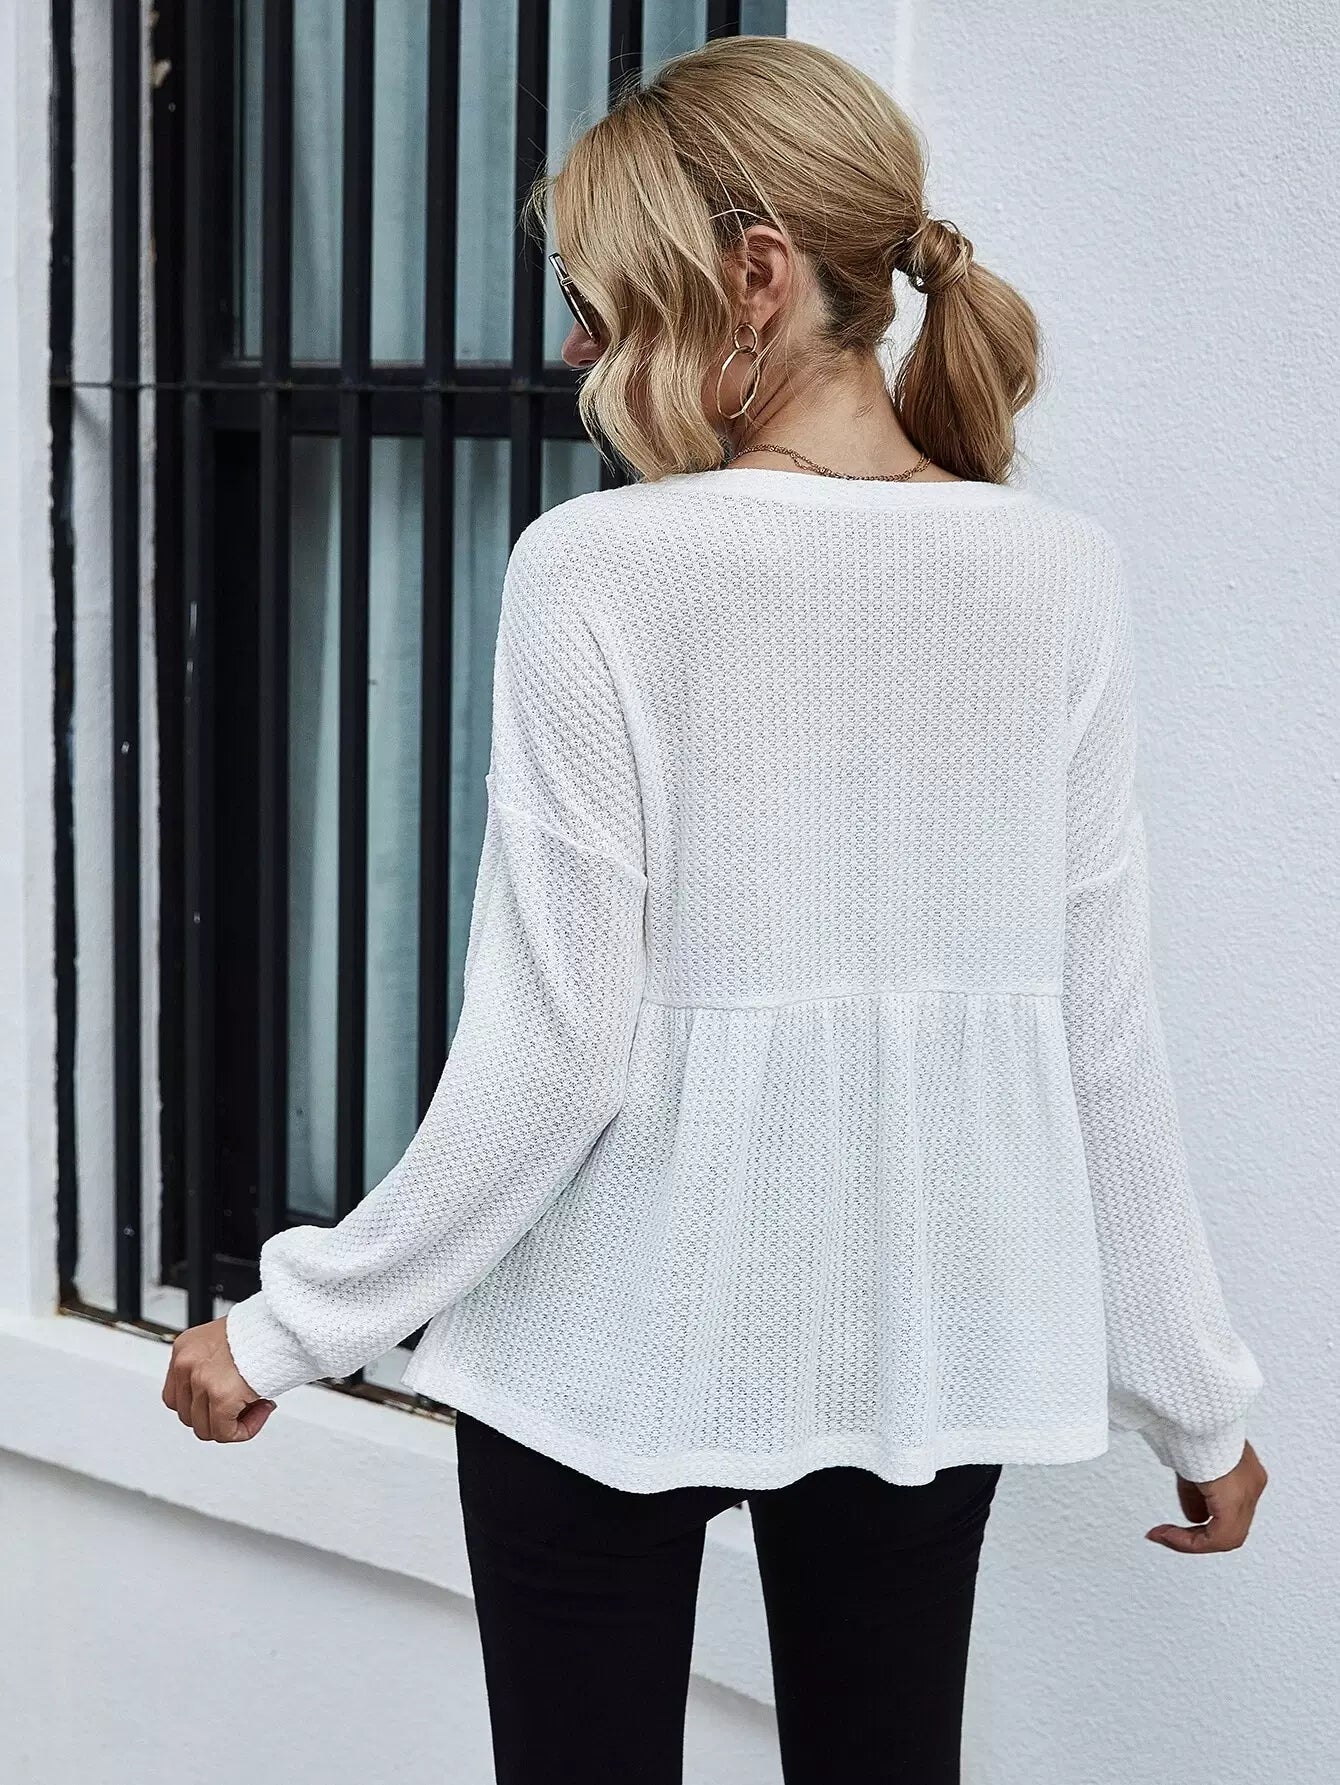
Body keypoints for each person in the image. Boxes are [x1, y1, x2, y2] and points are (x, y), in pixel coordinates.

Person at [162, 34, 1268, 1784]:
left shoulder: (604, 568)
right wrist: (1195, 1397)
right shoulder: (1056, 572)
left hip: (602, 1351)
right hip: (921, 1342)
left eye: (595, 301)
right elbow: (1101, 1033)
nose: (574, 350)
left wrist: (292, 1321)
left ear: (756, 275)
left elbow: (556, 1052)